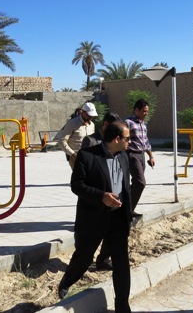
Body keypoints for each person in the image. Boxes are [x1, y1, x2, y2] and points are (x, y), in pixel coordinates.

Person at [58, 121, 133, 313]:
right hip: (94, 218)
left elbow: (126, 187)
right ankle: (67, 281)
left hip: (118, 219)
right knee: (84, 258)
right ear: (116, 139)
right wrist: (101, 196)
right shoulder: (87, 156)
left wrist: (128, 215)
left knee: (121, 263)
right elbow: (77, 185)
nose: (130, 142)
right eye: (127, 138)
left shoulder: (124, 156)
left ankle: (122, 307)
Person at [80, 110, 122, 271]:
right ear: (105, 125)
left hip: (112, 195)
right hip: (94, 198)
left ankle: (103, 259)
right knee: (89, 235)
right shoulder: (90, 141)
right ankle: (82, 263)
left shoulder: (116, 143)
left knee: (112, 232)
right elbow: (81, 177)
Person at [124, 99, 155, 217]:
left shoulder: (143, 124)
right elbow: (123, 138)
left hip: (141, 155)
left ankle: (128, 208)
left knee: (136, 184)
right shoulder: (128, 122)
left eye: (147, 111)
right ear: (136, 110)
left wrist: (151, 156)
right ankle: (127, 210)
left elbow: (146, 142)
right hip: (132, 155)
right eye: (144, 111)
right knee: (140, 182)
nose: (146, 113)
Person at [55, 102, 97, 169]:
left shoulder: (92, 125)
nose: (91, 117)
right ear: (83, 112)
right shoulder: (72, 123)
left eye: (92, 115)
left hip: (89, 157)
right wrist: (73, 154)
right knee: (80, 175)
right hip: (76, 158)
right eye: (89, 115)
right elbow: (62, 141)